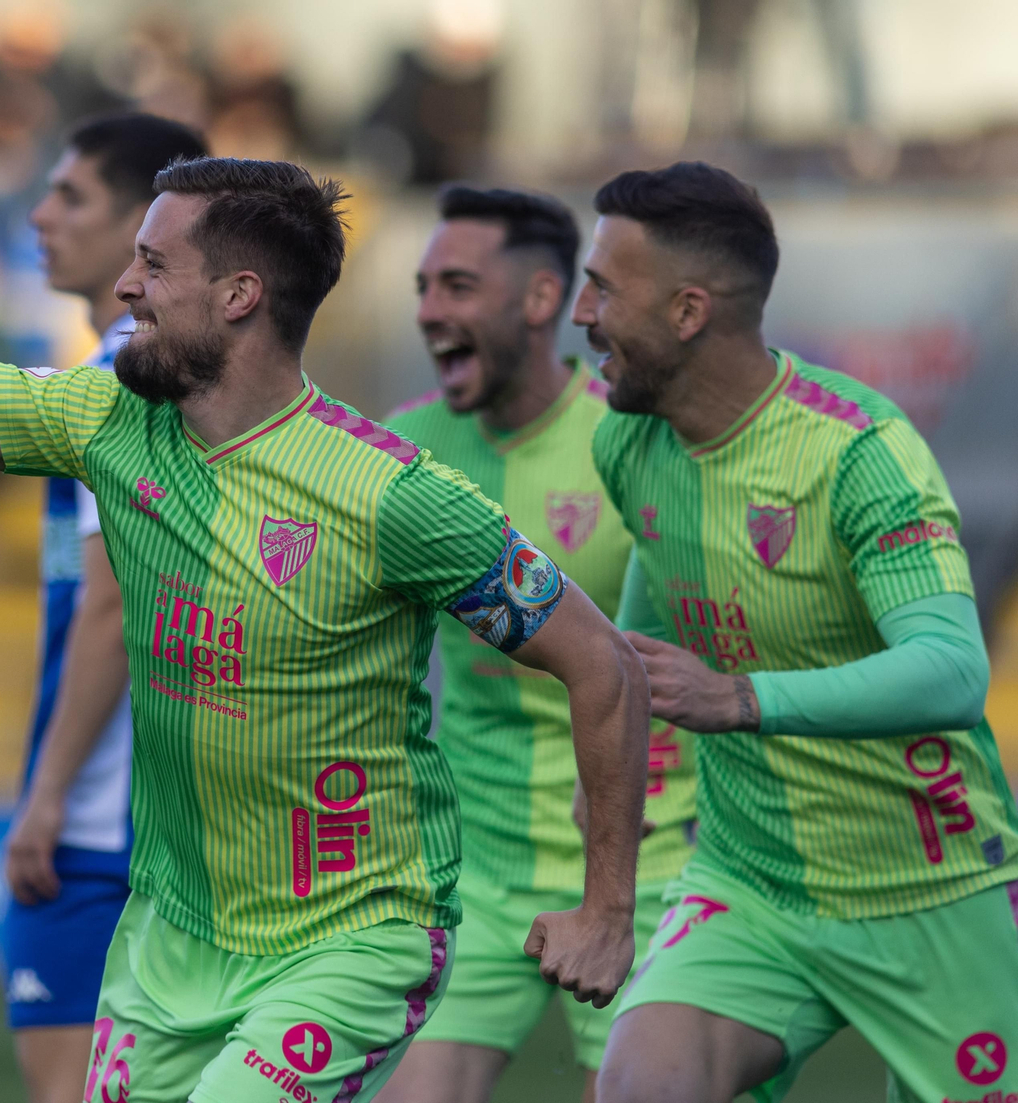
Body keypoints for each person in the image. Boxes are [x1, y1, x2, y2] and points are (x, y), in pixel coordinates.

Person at [0, 56, 650, 1103]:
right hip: (170, 942)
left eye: (151, 265)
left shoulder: (392, 495)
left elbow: (603, 666)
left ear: (237, 296)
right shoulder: (109, 422)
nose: (124, 288)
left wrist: (608, 908)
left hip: (346, 943)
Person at [574, 162, 1018, 1103]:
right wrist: (612, 773)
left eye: (604, 287)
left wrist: (738, 697)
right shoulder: (630, 441)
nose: (581, 314)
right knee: (639, 1085)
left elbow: (949, 671)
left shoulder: (861, 451)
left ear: (688, 312)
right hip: (750, 882)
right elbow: (645, 641)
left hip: (930, 884)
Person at [377, 186, 696, 1103]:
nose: (431, 308)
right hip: (478, 869)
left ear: (542, 298)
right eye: (424, 286)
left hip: (645, 857)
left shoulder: (631, 442)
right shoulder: (403, 451)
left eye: (459, 284)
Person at [3, 112, 207, 1103]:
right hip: (186, 810)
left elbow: (108, 606)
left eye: (70, 194)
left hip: (103, 823)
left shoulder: (120, 380)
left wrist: (45, 799)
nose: (40, 214)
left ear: (143, 223)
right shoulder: (190, 376)